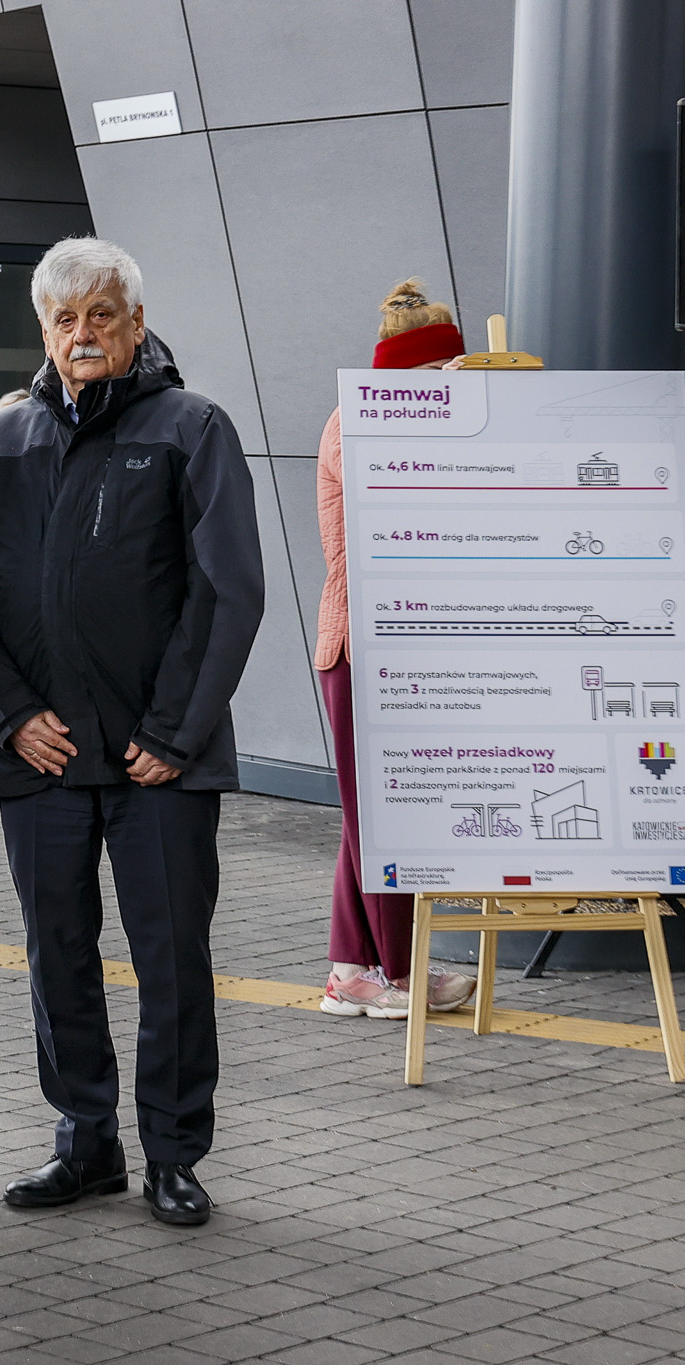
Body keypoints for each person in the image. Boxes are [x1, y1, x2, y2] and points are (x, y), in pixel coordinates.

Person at [0, 237, 263, 1227]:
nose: (82, 335)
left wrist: (171, 731)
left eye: (101, 317)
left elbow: (225, 591)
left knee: (170, 961)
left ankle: (173, 1152)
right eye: (63, 319)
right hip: (39, 756)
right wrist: (7, 717)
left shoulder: (190, 428)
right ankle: (84, 1143)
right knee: (56, 957)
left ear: (135, 324)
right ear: (41, 329)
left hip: (158, 762)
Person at [316, 280, 477, 1019]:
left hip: (400, 645)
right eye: (443, 376)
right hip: (361, 647)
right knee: (383, 815)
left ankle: (351, 970)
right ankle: (401, 974)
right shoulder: (358, 424)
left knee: (369, 810)